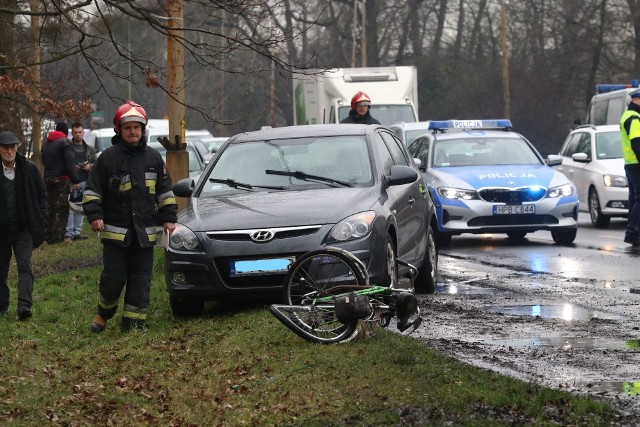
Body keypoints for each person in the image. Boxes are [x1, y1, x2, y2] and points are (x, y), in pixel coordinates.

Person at [83, 101, 178, 333]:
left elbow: (165, 192)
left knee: (141, 279)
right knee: (114, 277)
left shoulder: (155, 159)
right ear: (119, 129)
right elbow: (91, 191)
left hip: (144, 233)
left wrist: (169, 217)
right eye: (128, 128)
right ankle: (104, 313)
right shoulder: (107, 159)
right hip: (116, 233)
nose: (133, 131)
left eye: (137, 127)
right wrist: (95, 216)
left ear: (143, 129)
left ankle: (133, 323)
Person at [0, 131, 48, 320]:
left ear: (18, 147)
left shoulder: (29, 168)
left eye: (12, 146)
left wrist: (42, 220)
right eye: (5, 147)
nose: (9, 150)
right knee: (0, 270)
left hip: (24, 228)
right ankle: (2, 307)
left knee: (25, 266)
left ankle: (24, 307)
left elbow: (42, 196)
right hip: (2, 230)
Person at [42, 122, 80, 244]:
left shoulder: (46, 143)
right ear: (66, 132)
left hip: (48, 178)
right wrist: (75, 180)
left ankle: (46, 236)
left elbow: (44, 161)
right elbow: (70, 163)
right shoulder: (65, 143)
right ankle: (57, 238)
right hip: (62, 179)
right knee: (61, 208)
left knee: (49, 207)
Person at [64, 122, 96, 243]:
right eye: (76, 132)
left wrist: (90, 166)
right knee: (71, 208)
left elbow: (97, 163)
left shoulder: (89, 148)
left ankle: (77, 232)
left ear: (83, 133)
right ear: (72, 133)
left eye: (80, 132)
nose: (78, 135)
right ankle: (69, 233)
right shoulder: (68, 147)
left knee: (82, 207)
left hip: (85, 180)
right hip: (72, 181)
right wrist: (72, 168)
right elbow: (64, 163)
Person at [620, 89, 640, 246]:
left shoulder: (628, 115)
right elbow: (636, 143)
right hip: (636, 164)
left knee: (634, 199)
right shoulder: (634, 118)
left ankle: (633, 233)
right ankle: (632, 233)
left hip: (630, 164)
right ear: (636, 100)